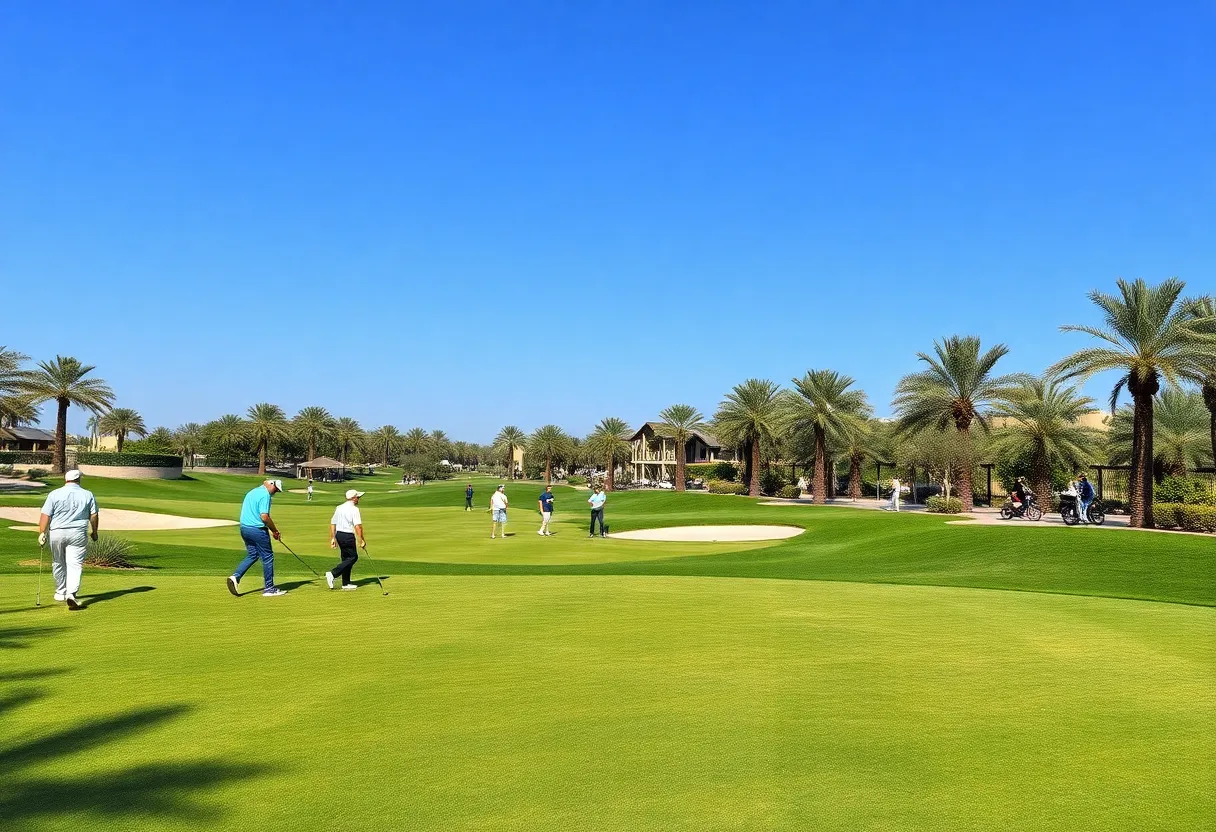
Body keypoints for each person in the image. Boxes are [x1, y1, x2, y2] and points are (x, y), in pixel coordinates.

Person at [37, 469, 98, 610]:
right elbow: (94, 515)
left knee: (58, 562)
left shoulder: (54, 494)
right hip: (77, 533)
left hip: (57, 532)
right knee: (75, 564)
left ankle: (60, 592)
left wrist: (42, 533)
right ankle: (71, 594)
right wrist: (94, 532)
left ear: (66, 479)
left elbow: (46, 515)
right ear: (78, 479)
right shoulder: (87, 494)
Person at [227, 479, 286, 597]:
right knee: (268, 557)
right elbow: (264, 517)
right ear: (271, 485)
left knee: (253, 555)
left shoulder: (253, 491)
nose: (275, 493)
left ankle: (235, 577)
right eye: (275, 490)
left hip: (244, 528)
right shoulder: (265, 495)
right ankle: (269, 588)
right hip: (257, 530)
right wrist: (274, 531)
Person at [326, 489, 366, 590]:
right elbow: (358, 526)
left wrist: (333, 538)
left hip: (339, 535)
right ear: (353, 498)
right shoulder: (354, 509)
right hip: (348, 535)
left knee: (346, 558)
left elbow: (333, 523)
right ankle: (333, 573)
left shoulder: (339, 508)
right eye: (358, 497)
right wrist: (361, 540)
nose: (358, 499)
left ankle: (346, 583)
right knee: (353, 557)